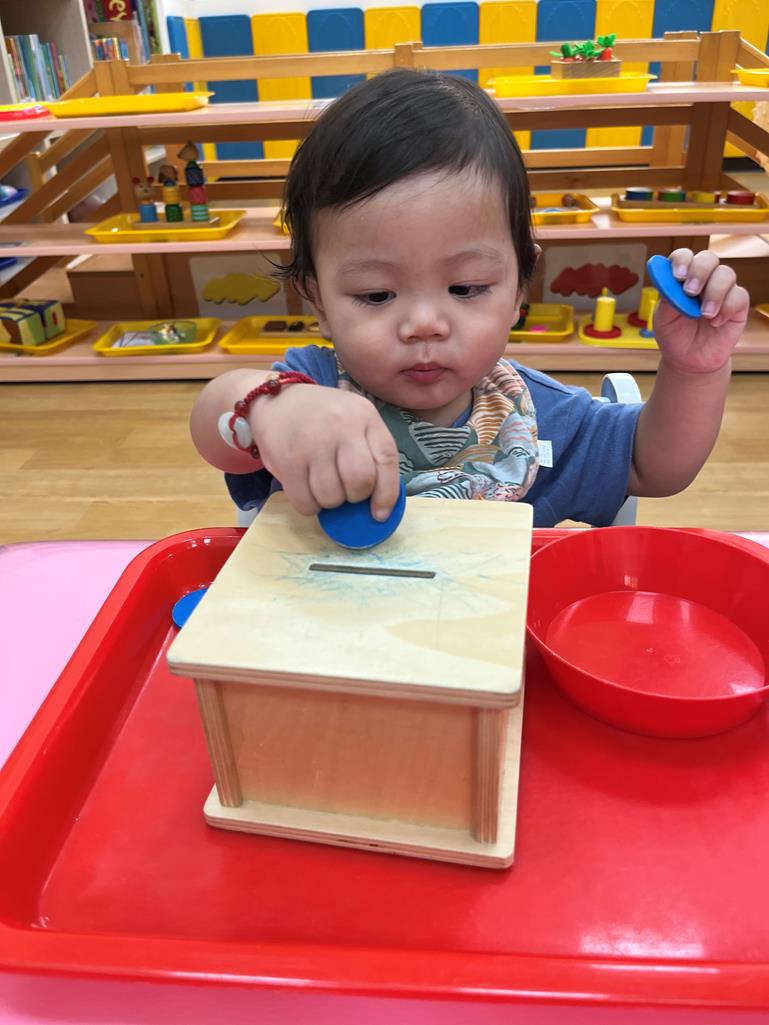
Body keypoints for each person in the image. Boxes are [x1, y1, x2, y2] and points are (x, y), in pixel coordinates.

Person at [190, 68, 748, 528]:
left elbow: (654, 466)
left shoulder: (539, 417)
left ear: (519, 286)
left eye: (466, 288)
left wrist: (694, 370)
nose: (425, 323)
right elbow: (215, 425)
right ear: (318, 302)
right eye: (376, 294)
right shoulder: (311, 387)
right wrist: (269, 407)